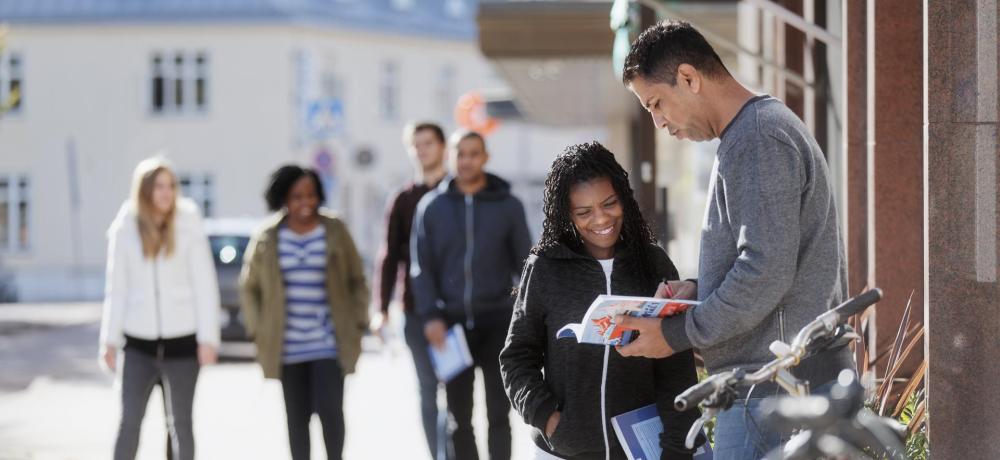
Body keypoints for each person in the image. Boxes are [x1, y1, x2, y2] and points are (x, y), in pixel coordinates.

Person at [616, 20, 854, 459]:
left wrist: (676, 332)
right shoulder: (753, 132)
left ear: (689, 78)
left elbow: (764, 270)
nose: (659, 121)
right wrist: (699, 291)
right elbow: (769, 261)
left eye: (656, 103)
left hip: (775, 391)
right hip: (775, 387)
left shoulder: (757, 136)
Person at [499, 142, 704, 460]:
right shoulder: (545, 267)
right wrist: (549, 419)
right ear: (567, 214)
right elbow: (516, 358)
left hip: (640, 450)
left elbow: (675, 368)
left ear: (623, 197)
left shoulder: (654, 263)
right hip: (562, 451)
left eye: (609, 204)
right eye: (584, 212)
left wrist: (677, 449)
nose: (600, 219)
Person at [411, 130, 532, 460]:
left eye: (473, 153)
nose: (466, 160)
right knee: (457, 417)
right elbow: (421, 269)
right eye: (460, 153)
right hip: (450, 326)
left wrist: (524, 316)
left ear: (485, 157)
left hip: (498, 323)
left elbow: (526, 266)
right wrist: (431, 317)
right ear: (450, 157)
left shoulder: (508, 206)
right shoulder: (431, 207)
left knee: (499, 414)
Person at [239, 165, 370, 460]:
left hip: (328, 341)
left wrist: (359, 319)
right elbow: (249, 287)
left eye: (311, 195)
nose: (305, 202)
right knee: (296, 421)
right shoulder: (267, 236)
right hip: (287, 347)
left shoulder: (334, 229)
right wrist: (258, 328)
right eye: (297, 196)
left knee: (331, 414)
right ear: (283, 198)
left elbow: (357, 280)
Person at [100, 156, 220, 460]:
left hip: (183, 344)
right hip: (138, 345)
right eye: (158, 186)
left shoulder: (188, 222)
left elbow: (205, 285)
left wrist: (209, 338)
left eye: (170, 186)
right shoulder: (126, 226)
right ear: (144, 190)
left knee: (180, 424)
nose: (166, 192)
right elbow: (117, 289)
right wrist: (109, 339)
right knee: (130, 422)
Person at [373, 122, 449, 459]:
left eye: (428, 143)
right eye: (415, 145)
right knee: (427, 389)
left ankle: (456, 451)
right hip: (414, 309)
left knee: (456, 389)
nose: (422, 150)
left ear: (443, 147)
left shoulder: (457, 192)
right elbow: (388, 255)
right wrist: (381, 308)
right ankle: (438, 455)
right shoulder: (403, 199)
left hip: (455, 309)